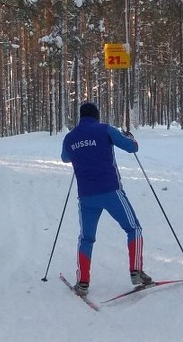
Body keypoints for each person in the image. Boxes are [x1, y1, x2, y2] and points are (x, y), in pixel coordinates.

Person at [60, 101, 150, 297]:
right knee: (133, 228)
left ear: (81, 117)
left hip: (86, 196)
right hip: (111, 191)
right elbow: (131, 147)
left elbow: (65, 158)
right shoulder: (105, 129)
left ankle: (83, 282)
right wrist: (131, 138)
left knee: (86, 238)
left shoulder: (70, 137)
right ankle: (136, 272)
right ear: (96, 115)